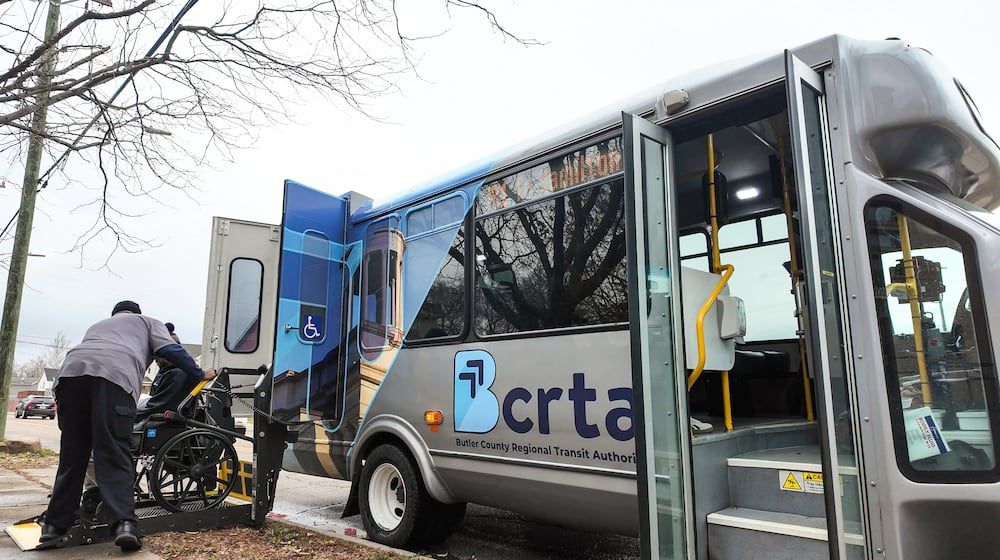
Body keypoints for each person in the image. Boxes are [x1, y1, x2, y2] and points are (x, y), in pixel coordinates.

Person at [41, 300, 216, 551]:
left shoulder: (99, 326)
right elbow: (171, 350)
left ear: (115, 315)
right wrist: (199, 373)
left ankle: (53, 528)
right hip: (113, 379)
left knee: (72, 457)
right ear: (136, 313)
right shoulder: (147, 322)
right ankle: (124, 524)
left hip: (69, 377)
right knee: (113, 452)